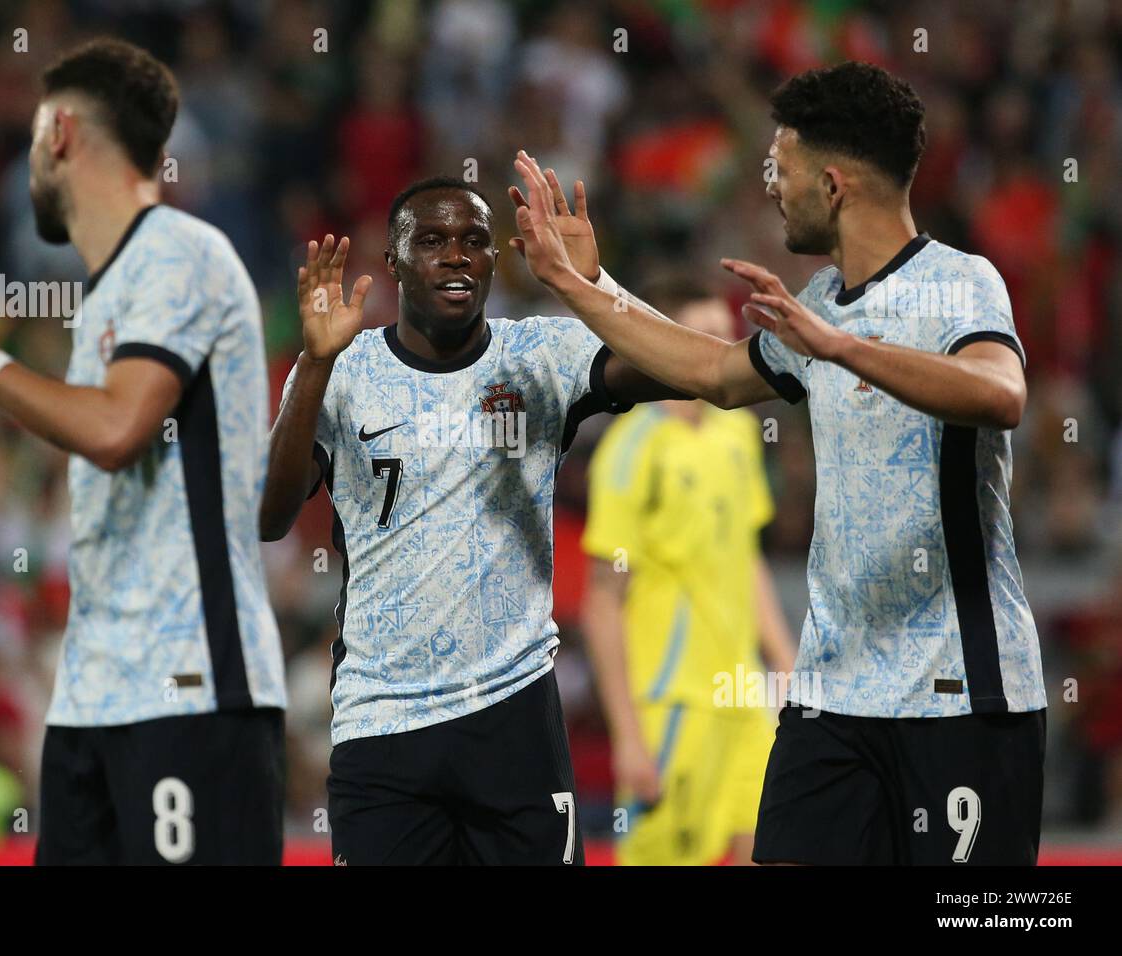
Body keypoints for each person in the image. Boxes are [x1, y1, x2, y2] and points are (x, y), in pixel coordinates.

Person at [512, 60, 1047, 865]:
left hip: (963, 691)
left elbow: (1000, 394)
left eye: (779, 168)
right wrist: (586, 286)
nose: (769, 186)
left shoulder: (958, 284)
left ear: (832, 185)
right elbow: (711, 372)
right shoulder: (821, 302)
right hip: (831, 694)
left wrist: (840, 348)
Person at [0, 38, 285, 865]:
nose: (26, 168)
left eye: (28, 143)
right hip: (93, 702)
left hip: (190, 694)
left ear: (58, 135)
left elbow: (116, 430)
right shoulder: (109, 296)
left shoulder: (179, 254)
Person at [261, 174, 680, 865]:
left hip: (513, 711)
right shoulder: (344, 368)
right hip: (383, 719)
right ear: (392, 263)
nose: (456, 255)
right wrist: (312, 363)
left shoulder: (540, 355)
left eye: (474, 241)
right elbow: (270, 516)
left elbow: (684, 372)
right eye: (431, 241)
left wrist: (596, 283)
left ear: (493, 261)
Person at [581, 276, 796, 866]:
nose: (719, 354)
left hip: (744, 697)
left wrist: (787, 669)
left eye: (727, 339)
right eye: (702, 338)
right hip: (671, 703)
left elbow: (743, 558)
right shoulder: (631, 451)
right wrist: (626, 736)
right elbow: (601, 602)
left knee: (779, 848)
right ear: (665, 343)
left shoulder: (738, 433)